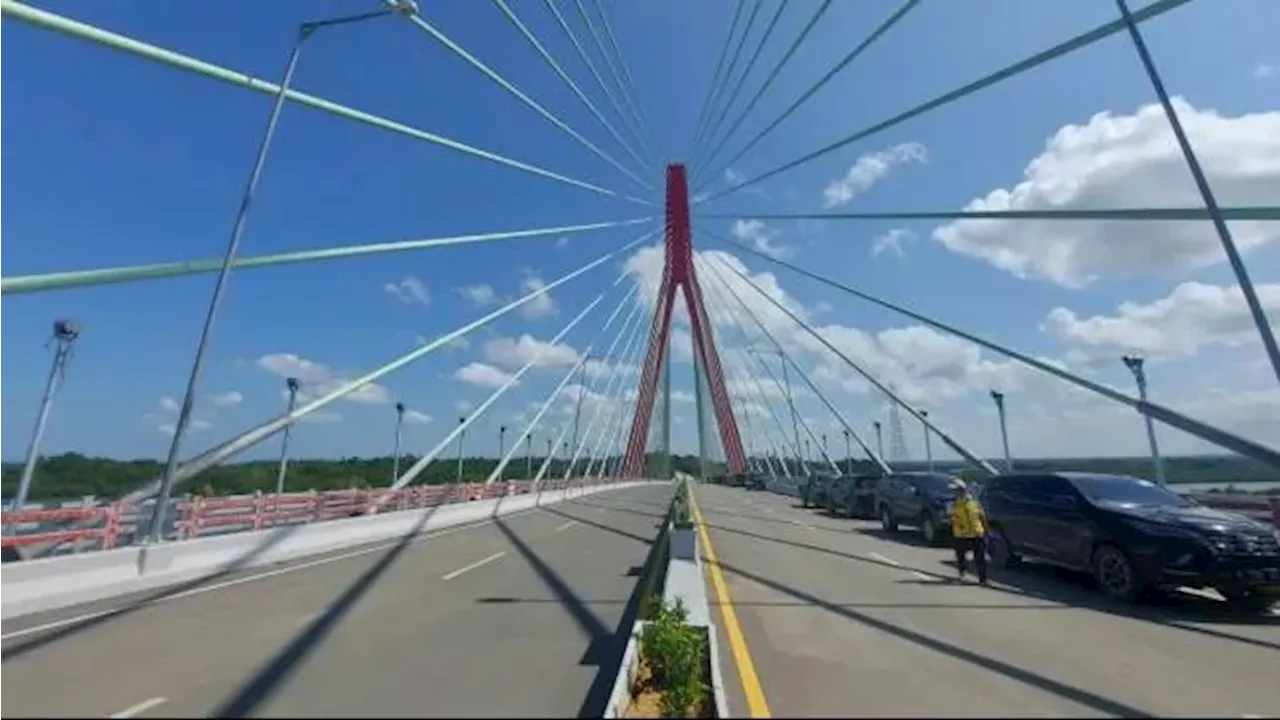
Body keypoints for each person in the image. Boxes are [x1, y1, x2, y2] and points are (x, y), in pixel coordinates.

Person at [949, 479, 988, 584]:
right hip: (961, 535)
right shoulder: (954, 504)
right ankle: (962, 574)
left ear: (962, 490)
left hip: (976, 533)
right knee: (961, 556)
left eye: (956, 490)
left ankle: (983, 579)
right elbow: (952, 519)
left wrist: (986, 530)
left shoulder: (974, 502)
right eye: (953, 490)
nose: (954, 492)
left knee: (980, 557)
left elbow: (982, 516)